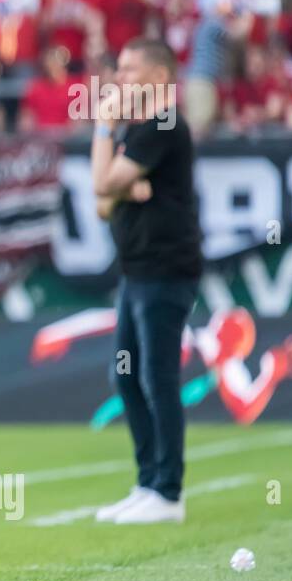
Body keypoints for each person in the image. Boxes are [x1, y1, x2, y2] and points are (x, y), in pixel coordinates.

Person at [90, 37, 204, 524]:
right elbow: (102, 200)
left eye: (131, 69)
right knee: (127, 375)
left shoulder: (162, 122)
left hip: (165, 269)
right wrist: (121, 184)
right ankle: (147, 482)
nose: (120, 78)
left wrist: (103, 128)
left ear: (159, 77)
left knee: (157, 378)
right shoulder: (138, 131)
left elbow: (100, 184)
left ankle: (168, 492)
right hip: (137, 271)